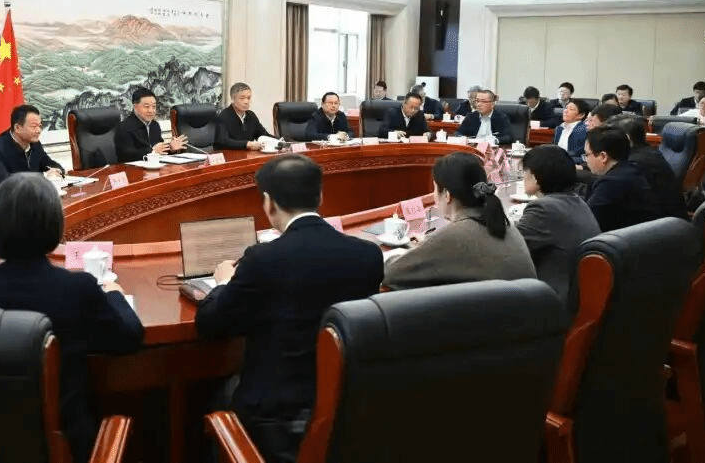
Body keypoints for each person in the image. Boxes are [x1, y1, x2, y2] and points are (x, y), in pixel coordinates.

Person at [195, 155, 382, 463]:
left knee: (211, 400)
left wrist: (223, 283)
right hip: (343, 406)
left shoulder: (261, 259)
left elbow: (210, 325)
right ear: (320, 196)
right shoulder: (368, 255)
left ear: (268, 203)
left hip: (272, 415)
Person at [0, 173, 143, 463]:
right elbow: (130, 337)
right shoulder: (77, 287)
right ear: (55, 228)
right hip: (68, 447)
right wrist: (114, 294)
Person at [383, 152, 535, 289]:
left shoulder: (457, 235)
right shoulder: (502, 222)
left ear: (447, 195)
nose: (434, 196)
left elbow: (391, 273)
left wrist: (417, 250)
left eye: (435, 189)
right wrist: (430, 244)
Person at [514, 146, 601, 304]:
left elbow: (511, 249)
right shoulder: (576, 200)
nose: (523, 176)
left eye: (525, 172)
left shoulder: (543, 209)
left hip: (554, 300)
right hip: (580, 294)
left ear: (536, 177)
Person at [584, 126, 661, 232]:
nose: (586, 160)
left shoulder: (611, 184)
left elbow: (585, 223)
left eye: (587, 155)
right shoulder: (633, 169)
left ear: (603, 157)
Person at [609, 115, 686, 219]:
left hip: (659, 223)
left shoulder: (633, 163)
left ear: (626, 138)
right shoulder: (648, 152)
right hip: (666, 219)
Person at [0, 104, 64, 192]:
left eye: (40, 126)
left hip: (25, 194)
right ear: (17, 128)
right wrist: (44, 176)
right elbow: (5, 181)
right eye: (34, 126)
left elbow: (48, 163)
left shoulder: (35, 144)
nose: (38, 130)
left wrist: (57, 171)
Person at [115, 87, 186, 162]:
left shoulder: (154, 125)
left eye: (154, 106)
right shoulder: (124, 127)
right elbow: (126, 155)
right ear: (135, 107)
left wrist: (171, 148)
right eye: (147, 107)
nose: (151, 110)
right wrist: (152, 150)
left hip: (155, 166)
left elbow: (160, 150)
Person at [215, 82, 271, 150]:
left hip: (247, 154)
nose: (246, 102)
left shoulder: (251, 116)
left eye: (248, 98)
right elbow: (223, 141)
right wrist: (246, 144)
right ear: (232, 99)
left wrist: (279, 141)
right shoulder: (224, 116)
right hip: (229, 154)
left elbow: (263, 134)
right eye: (242, 98)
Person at [553, 98, 590, 164]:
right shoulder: (559, 128)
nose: (566, 111)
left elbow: (584, 157)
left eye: (571, 109)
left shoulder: (584, 130)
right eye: (566, 108)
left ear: (580, 115)